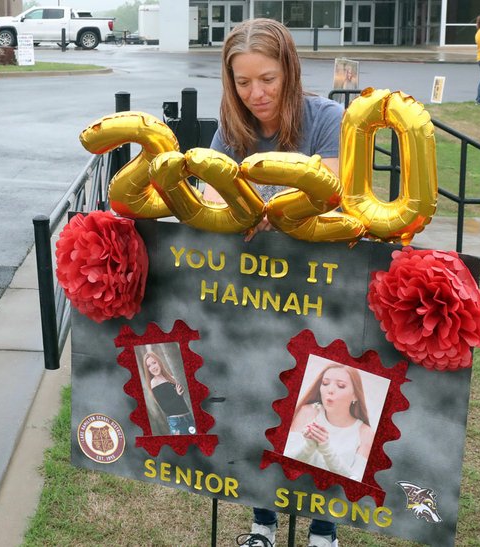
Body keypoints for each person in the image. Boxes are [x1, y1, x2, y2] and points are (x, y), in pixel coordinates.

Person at [205, 18, 343, 547]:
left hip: (318, 290)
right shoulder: (229, 129)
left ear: (289, 69)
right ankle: (262, 522)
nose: (256, 94)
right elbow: (212, 194)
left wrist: (258, 206)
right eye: (243, 83)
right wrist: (244, 207)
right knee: (262, 398)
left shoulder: (328, 117)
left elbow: (328, 191)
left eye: (267, 78)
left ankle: (323, 529)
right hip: (252, 292)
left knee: (321, 401)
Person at [284, 364, 374, 481]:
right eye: (325, 383)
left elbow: (355, 480)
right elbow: (285, 461)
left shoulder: (365, 432)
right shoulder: (308, 412)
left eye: (341, 386)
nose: (330, 390)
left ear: (355, 396)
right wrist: (309, 446)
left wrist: (326, 449)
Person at [141, 351, 195, 435]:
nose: (153, 367)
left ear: (159, 362)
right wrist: (178, 395)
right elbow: (166, 408)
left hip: (190, 418)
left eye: (154, 363)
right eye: (149, 366)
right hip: (178, 424)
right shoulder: (154, 383)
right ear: (147, 370)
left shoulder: (172, 378)